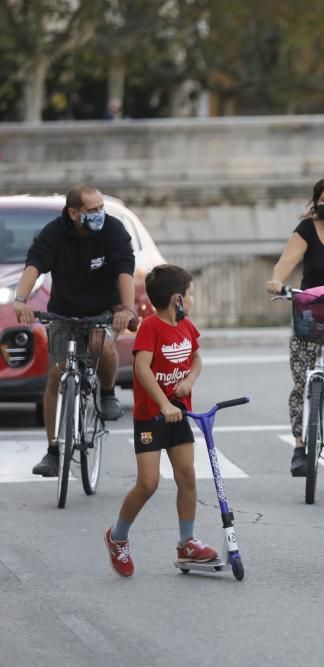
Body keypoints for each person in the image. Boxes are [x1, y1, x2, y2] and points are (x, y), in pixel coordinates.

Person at [12, 184, 136, 478]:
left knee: (100, 346)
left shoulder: (113, 231)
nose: (98, 214)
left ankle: (107, 394)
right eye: (92, 210)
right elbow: (34, 266)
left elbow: (125, 270)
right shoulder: (54, 233)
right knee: (56, 374)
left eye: (100, 208)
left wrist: (127, 309)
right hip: (64, 312)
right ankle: (53, 452)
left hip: (103, 311)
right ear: (73, 213)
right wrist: (20, 299)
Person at [103, 265, 218, 576]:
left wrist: (189, 381)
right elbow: (142, 369)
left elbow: (196, 358)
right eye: (190, 295)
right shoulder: (151, 328)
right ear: (177, 299)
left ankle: (187, 543)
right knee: (148, 483)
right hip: (152, 416)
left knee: (187, 477)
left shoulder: (186, 327)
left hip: (178, 411)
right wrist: (164, 402)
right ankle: (118, 536)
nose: (192, 300)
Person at [266, 177, 324, 477]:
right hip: (311, 311)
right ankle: (301, 445)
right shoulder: (306, 229)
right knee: (304, 380)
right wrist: (277, 280)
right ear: (316, 203)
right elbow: (286, 262)